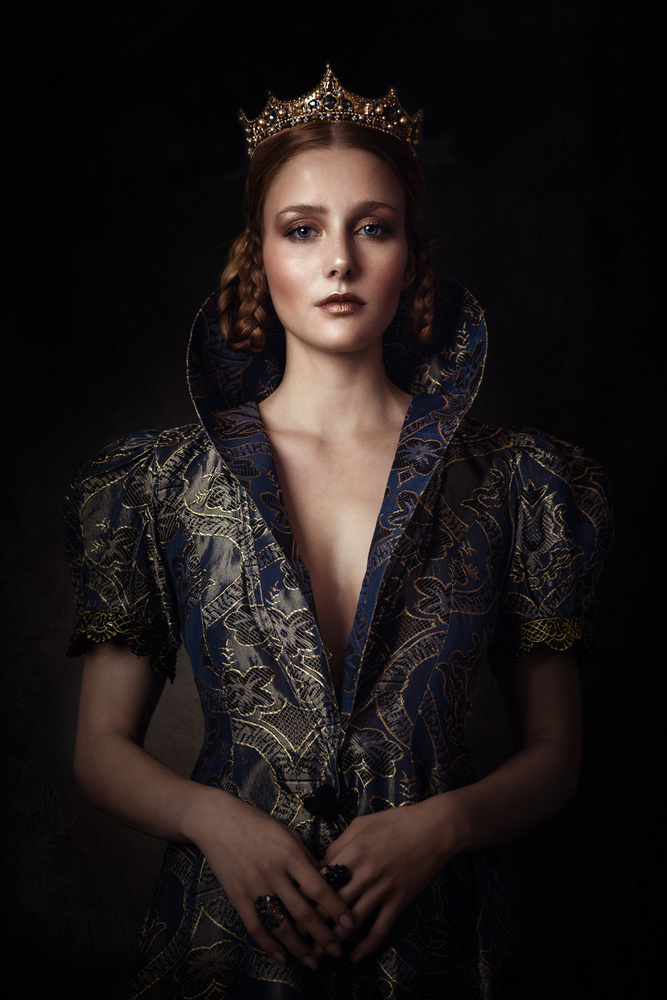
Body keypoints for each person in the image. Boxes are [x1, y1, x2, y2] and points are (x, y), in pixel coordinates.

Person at [63, 67, 612, 998]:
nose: (340, 263)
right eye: (302, 229)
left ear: (412, 256)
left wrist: (442, 826)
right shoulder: (156, 482)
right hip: (226, 939)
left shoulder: (515, 479)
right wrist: (214, 820)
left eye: (373, 227)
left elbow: (555, 755)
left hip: (441, 937)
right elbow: (101, 747)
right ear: (257, 255)